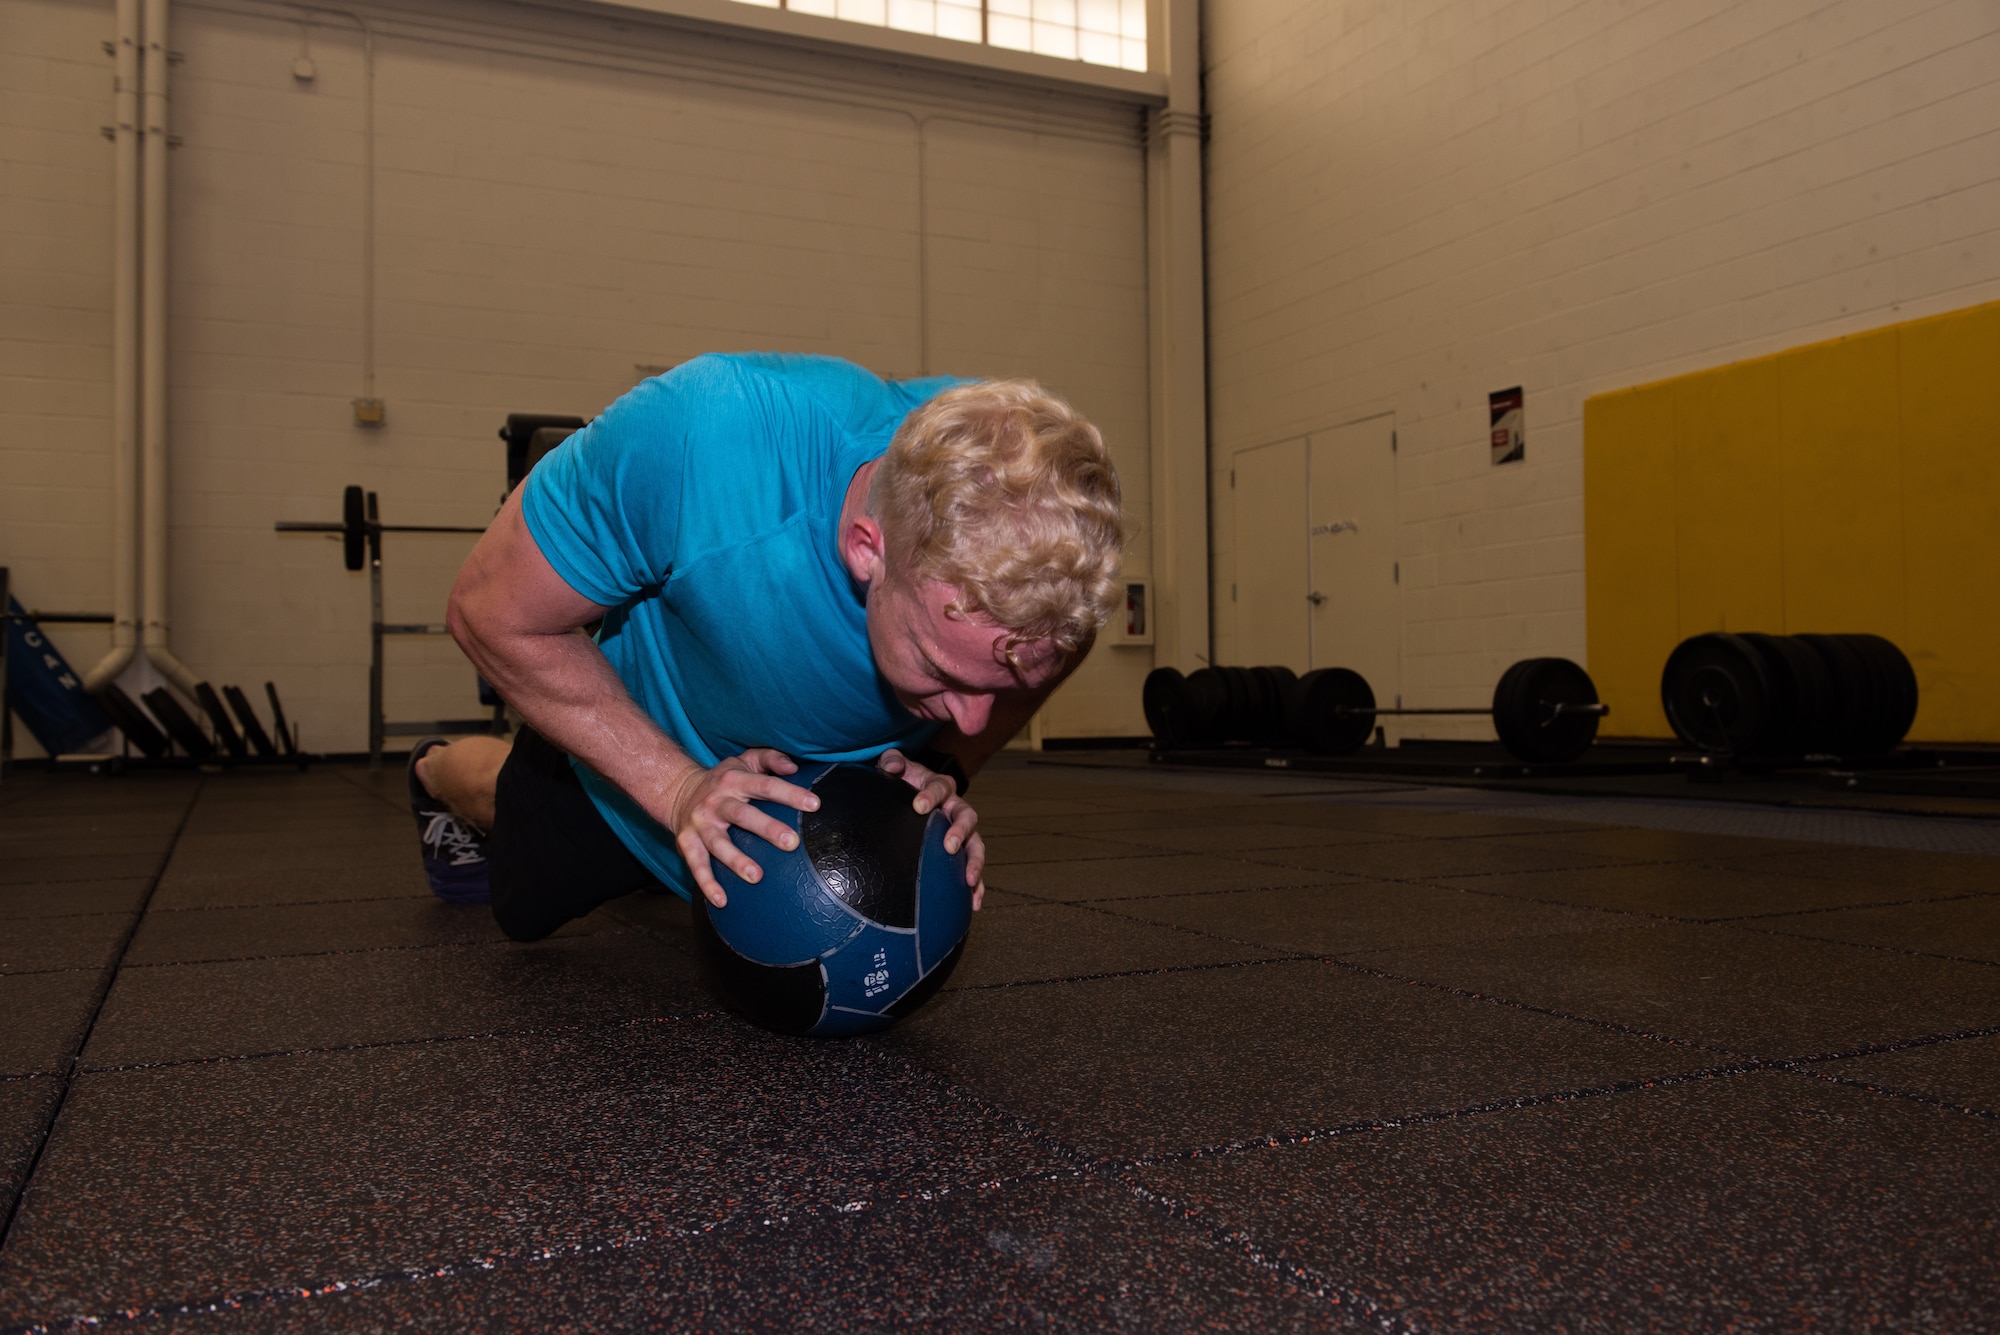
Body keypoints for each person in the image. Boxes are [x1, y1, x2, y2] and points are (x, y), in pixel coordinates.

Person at [406, 352, 1125, 942]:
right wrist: (680, 790)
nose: (972, 719)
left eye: (999, 682)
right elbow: (486, 613)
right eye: (942, 670)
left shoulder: (1047, 543)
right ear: (866, 549)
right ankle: (436, 772)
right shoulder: (704, 440)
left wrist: (949, 764)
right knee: (524, 887)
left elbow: (1051, 650)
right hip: (652, 745)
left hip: (850, 781)